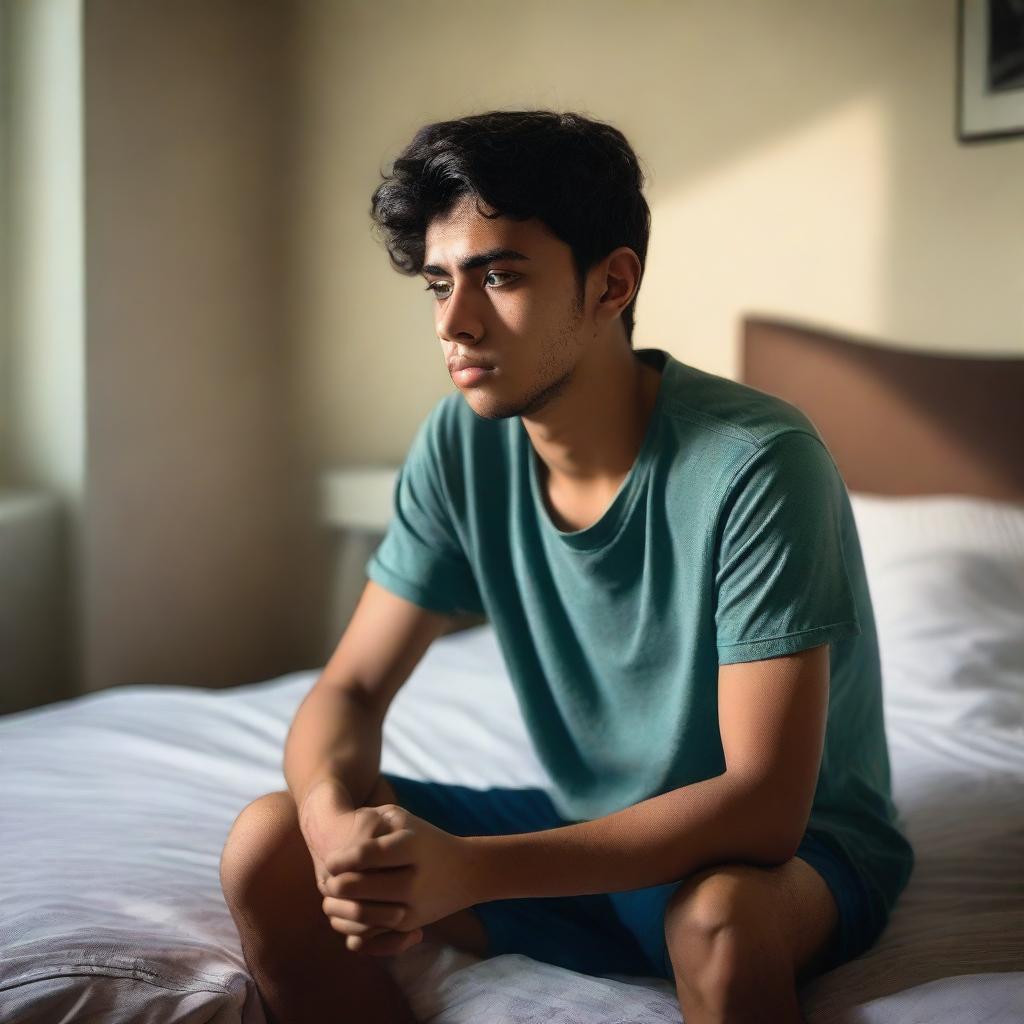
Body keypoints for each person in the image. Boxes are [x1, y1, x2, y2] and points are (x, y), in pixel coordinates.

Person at [219, 110, 914, 1024]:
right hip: (591, 833)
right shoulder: (459, 447)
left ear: (611, 283)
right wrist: (333, 827)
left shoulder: (755, 460)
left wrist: (469, 871)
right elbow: (349, 689)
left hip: (781, 858)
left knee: (719, 920)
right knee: (267, 843)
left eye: (498, 275)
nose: (455, 323)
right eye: (438, 284)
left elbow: (762, 807)